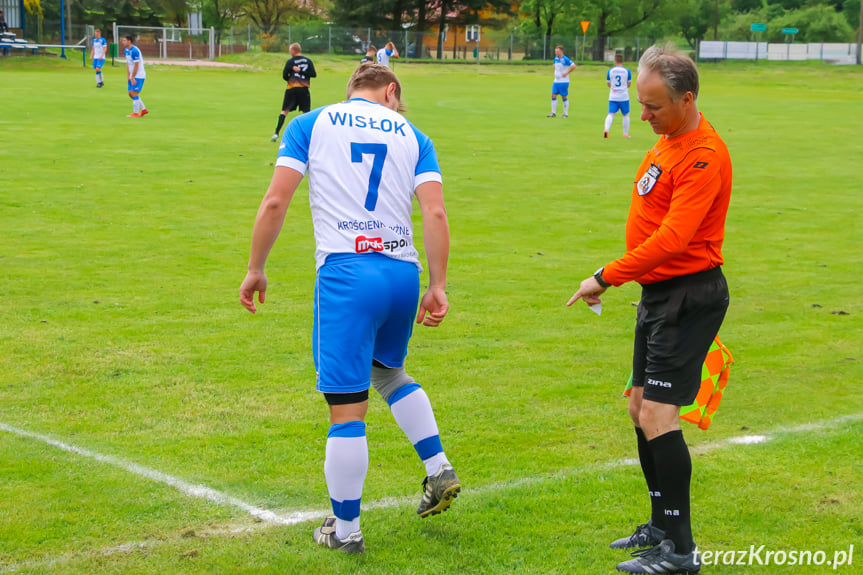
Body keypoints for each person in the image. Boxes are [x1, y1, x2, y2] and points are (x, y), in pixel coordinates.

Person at [240, 64, 460, 554]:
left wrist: (256, 266)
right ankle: (437, 466)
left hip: (347, 273)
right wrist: (439, 284)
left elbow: (276, 201)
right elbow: (436, 211)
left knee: (346, 409)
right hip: (402, 273)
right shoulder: (415, 135)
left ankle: (345, 532)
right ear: (391, 91)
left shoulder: (309, 124)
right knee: (388, 373)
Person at [567, 44, 732, 574]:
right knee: (640, 408)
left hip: (689, 296)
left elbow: (675, 238)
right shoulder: (665, 142)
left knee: (660, 417)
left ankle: (680, 552)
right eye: (641, 103)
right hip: (659, 294)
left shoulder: (703, 155)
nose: (643, 115)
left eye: (654, 106)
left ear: (687, 99)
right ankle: (660, 527)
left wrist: (605, 276)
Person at [271, 43, 316, 142]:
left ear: (293, 51)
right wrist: (302, 72)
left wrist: (291, 78)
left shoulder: (291, 62)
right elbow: (313, 74)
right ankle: (309, 136)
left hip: (291, 89)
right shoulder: (308, 61)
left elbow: (284, 75)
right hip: (304, 89)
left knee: (284, 111)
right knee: (306, 113)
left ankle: (276, 133)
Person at [604, 53, 632, 138]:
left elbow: (608, 84)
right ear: (622, 61)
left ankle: (606, 130)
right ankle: (625, 134)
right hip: (623, 96)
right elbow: (629, 84)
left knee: (611, 114)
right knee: (626, 115)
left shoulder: (610, 71)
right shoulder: (627, 71)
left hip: (613, 96)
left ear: (615, 61)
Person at [122, 35, 148, 118]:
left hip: (139, 75)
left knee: (134, 93)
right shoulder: (126, 50)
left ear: (129, 41)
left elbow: (136, 65)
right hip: (132, 74)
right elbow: (128, 63)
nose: (123, 42)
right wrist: (128, 76)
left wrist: (133, 77)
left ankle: (135, 113)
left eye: (124, 40)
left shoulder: (134, 51)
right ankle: (143, 109)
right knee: (130, 93)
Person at [548, 45, 576, 118]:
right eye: (555, 51)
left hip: (564, 81)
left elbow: (573, 66)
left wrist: (567, 73)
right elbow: (554, 65)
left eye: (557, 51)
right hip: (556, 81)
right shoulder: (555, 58)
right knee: (553, 95)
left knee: (563, 96)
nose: (556, 52)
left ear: (561, 51)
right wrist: (555, 72)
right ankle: (553, 112)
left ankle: (565, 114)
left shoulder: (565, 59)